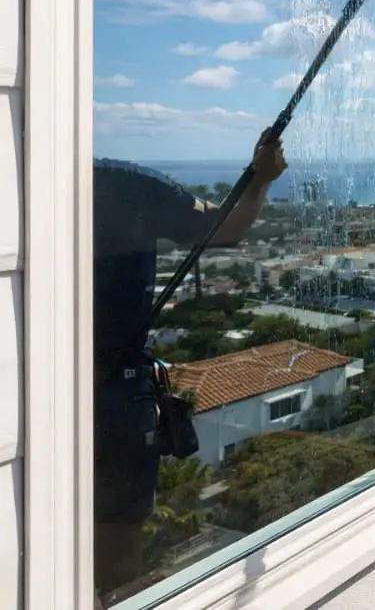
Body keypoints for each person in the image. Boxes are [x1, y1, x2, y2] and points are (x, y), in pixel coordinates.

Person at [93, 128, 287, 603]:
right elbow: (226, 229)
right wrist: (260, 179)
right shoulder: (125, 184)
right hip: (115, 394)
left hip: (72, 392)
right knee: (118, 563)